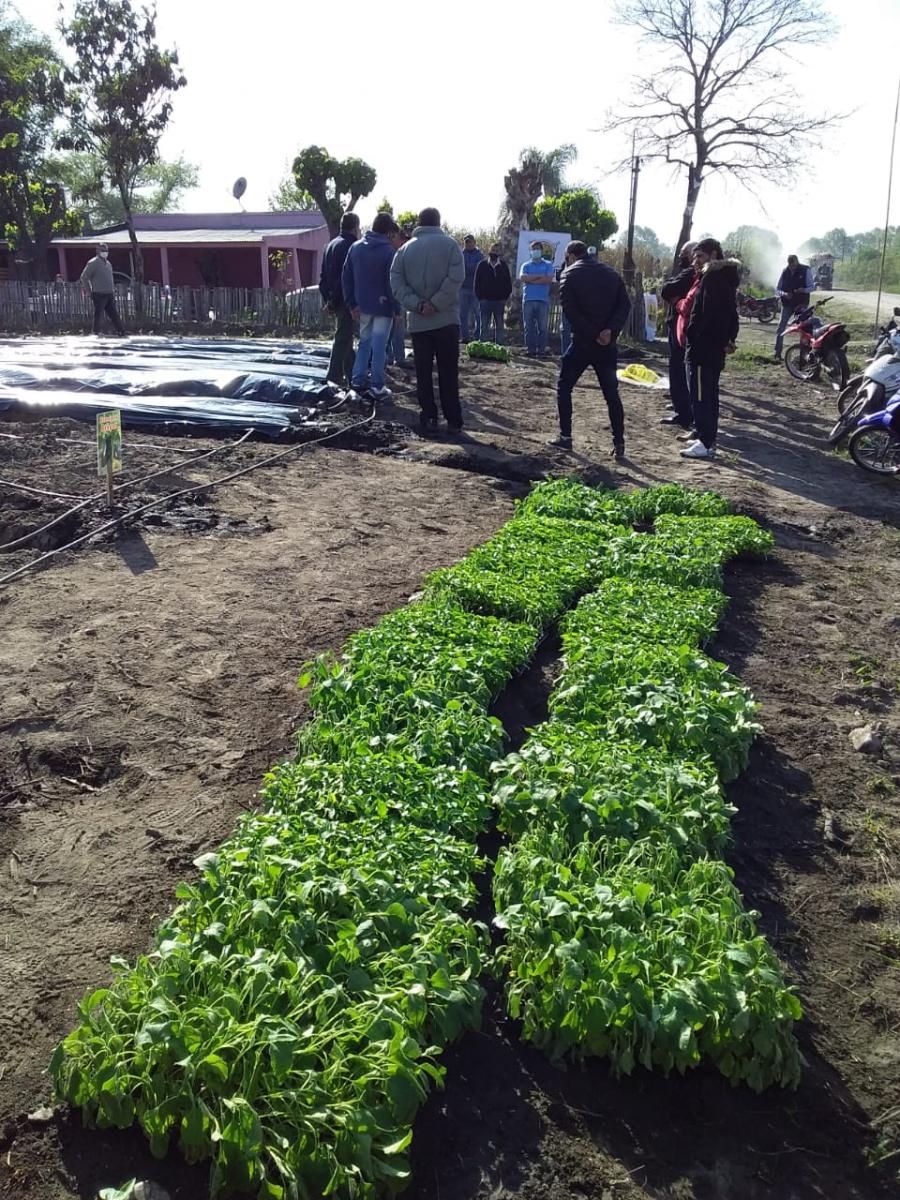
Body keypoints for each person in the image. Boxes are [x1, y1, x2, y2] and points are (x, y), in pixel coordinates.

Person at [550, 240, 631, 459]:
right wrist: (609, 331)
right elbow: (625, 305)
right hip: (607, 345)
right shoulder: (612, 274)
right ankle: (619, 444)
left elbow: (571, 312)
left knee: (564, 386)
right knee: (611, 394)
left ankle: (566, 437)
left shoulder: (569, 275)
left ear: (570, 256)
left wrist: (594, 333)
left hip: (583, 343)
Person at [389, 207, 465, 436]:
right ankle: (453, 419)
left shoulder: (403, 250)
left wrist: (419, 305)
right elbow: (456, 278)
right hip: (447, 320)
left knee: (423, 372)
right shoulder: (451, 246)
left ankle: (429, 416)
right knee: (448, 372)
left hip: (419, 322)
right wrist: (438, 303)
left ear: (419, 224)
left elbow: (396, 283)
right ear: (438, 222)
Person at [676, 238, 740, 461]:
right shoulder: (724, 278)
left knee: (702, 397)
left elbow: (711, 315)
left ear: (713, 255)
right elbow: (732, 315)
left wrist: (695, 335)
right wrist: (729, 338)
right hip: (713, 348)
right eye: (694, 256)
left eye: (700, 256)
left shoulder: (713, 278)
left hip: (704, 350)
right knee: (709, 395)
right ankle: (706, 438)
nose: (695, 261)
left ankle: (705, 442)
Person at [341, 211, 400, 402]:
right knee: (379, 346)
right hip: (383, 307)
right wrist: (397, 308)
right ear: (388, 232)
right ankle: (377, 386)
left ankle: (357, 382)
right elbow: (391, 283)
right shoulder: (388, 252)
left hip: (362, 305)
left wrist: (351, 303)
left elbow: (346, 277)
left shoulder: (355, 248)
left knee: (364, 343)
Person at [659, 240, 698, 430]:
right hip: (680, 324)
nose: (681, 256)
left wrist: (675, 300)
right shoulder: (692, 273)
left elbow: (666, 290)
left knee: (678, 369)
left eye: (684, 253)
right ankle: (682, 408)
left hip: (681, 326)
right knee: (679, 370)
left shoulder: (691, 273)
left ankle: (683, 414)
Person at [319, 212, 361, 387]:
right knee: (342, 338)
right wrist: (334, 301)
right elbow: (343, 280)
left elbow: (323, 277)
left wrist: (327, 300)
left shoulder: (330, 245)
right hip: (345, 300)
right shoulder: (350, 247)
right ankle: (333, 378)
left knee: (346, 338)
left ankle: (352, 376)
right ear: (355, 227)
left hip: (334, 299)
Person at [773, 254, 815, 360]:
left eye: (794, 265)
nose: (792, 268)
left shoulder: (805, 270)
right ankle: (777, 353)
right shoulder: (785, 271)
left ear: (797, 262)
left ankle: (804, 355)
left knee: (804, 330)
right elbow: (778, 289)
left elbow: (812, 287)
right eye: (790, 266)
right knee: (781, 327)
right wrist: (784, 294)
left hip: (801, 304)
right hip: (787, 304)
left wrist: (803, 290)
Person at [80, 243, 125, 335]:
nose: (105, 252)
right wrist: (89, 291)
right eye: (102, 250)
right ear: (97, 251)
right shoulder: (93, 263)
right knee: (99, 314)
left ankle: (121, 331)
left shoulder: (108, 264)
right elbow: (84, 277)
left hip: (109, 293)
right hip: (99, 293)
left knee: (114, 314)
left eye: (106, 250)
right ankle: (96, 332)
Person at [520, 240, 555, 356]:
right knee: (529, 327)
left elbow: (548, 279)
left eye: (538, 249)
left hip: (543, 300)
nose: (536, 251)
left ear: (541, 251)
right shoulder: (525, 265)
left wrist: (532, 279)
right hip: (528, 299)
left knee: (543, 328)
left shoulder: (548, 264)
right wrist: (540, 276)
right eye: (534, 249)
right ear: (530, 251)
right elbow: (523, 278)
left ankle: (541, 351)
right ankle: (531, 350)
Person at [474, 242, 512, 344]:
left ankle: (499, 348)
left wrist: (504, 298)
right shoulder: (481, 265)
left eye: (497, 251)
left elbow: (508, 284)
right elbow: (476, 283)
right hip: (485, 301)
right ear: (489, 251)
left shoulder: (503, 266)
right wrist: (480, 298)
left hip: (499, 302)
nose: (494, 252)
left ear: (500, 253)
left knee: (500, 327)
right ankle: (483, 348)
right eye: (493, 250)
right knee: (484, 326)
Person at [385, 228, 413, 369]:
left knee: (395, 329)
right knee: (395, 328)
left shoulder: (399, 253)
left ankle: (394, 356)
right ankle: (395, 357)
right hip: (393, 295)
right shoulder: (393, 254)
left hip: (397, 295)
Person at [459, 234, 484, 343]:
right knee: (462, 314)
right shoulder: (460, 254)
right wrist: (469, 267)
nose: (468, 244)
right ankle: (465, 337)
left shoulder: (480, 255)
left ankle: (477, 337)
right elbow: (460, 268)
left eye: (469, 242)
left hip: (476, 289)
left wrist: (468, 267)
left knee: (478, 314)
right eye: (466, 242)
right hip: (463, 288)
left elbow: (478, 269)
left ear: (474, 242)